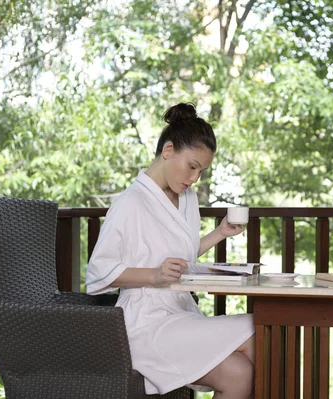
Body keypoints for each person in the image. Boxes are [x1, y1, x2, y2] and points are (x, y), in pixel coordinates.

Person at [86, 103, 255, 398]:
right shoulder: (130, 203)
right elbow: (99, 273)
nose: (194, 178)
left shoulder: (186, 199)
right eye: (192, 166)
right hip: (145, 324)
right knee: (258, 327)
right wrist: (154, 275)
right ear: (168, 151)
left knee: (240, 374)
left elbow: (182, 256)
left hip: (180, 313)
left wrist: (219, 234)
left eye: (201, 171)